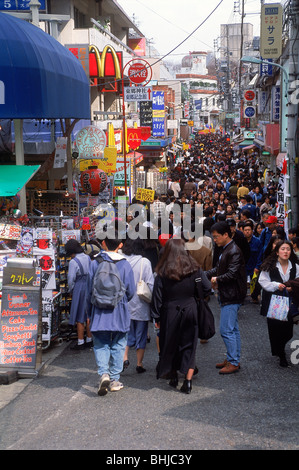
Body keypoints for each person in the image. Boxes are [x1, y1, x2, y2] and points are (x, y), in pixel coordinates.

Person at [151, 238, 211, 393]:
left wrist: (156, 317)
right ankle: (188, 381)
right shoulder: (194, 269)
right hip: (190, 309)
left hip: (169, 310)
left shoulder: (162, 272)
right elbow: (207, 287)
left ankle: (173, 376)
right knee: (190, 345)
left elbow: (157, 297)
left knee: (171, 344)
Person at [85, 230, 135, 396]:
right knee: (119, 343)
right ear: (120, 245)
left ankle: (104, 374)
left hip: (99, 310)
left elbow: (88, 291)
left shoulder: (95, 262)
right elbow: (131, 291)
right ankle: (114, 379)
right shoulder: (125, 263)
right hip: (119, 309)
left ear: (104, 243)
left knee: (101, 343)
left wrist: (88, 313)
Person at [206, 222, 247, 374]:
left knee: (226, 330)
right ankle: (232, 358)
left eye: (216, 237)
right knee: (233, 329)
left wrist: (215, 279)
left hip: (232, 294)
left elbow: (232, 274)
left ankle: (233, 362)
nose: (214, 240)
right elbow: (219, 268)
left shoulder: (234, 250)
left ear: (225, 235)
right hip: (229, 293)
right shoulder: (226, 249)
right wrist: (205, 274)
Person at [259, 240, 299, 367]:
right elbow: (263, 282)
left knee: (288, 331)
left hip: (289, 302)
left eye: (288, 249)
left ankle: (280, 348)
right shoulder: (269, 266)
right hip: (273, 301)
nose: (286, 251)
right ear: (277, 252)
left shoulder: (296, 266)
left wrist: (292, 287)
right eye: (283, 249)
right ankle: (281, 354)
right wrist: (277, 285)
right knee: (275, 328)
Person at [121, 237, 155, 374]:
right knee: (141, 335)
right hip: (141, 303)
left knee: (126, 333)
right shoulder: (144, 262)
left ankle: (124, 358)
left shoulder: (121, 260)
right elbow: (150, 283)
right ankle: (139, 364)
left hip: (124, 303)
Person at [65, 239, 93, 350]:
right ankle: (89, 339)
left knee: (79, 315)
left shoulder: (73, 262)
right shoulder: (87, 257)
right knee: (88, 314)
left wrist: (71, 290)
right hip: (89, 286)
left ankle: (80, 341)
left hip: (79, 287)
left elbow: (71, 278)